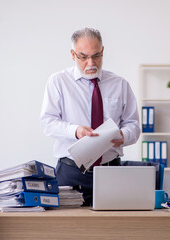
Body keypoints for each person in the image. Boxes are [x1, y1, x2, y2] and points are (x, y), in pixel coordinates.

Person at [40, 27, 140, 205]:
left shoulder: (120, 84)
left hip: (111, 173)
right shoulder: (58, 82)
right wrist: (76, 131)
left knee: (111, 230)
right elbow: (48, 122)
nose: (90, 63)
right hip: (71, 174)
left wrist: (124, 136)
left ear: (103, 51)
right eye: (83, 57)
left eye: (96, 56)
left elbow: (133, 125)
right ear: (73, 54)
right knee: (68, 230)